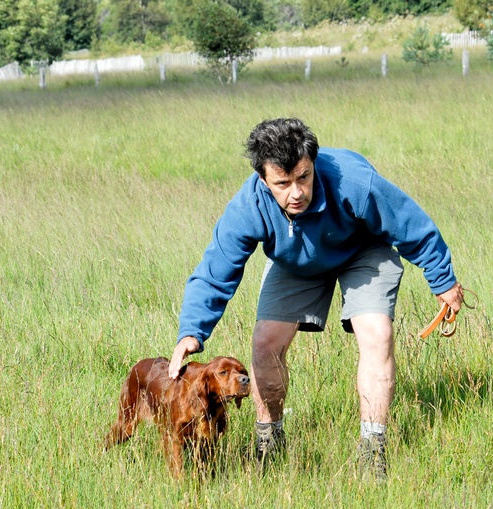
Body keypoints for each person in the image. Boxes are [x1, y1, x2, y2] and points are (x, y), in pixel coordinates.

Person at [168, 117, 463, 480]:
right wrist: (191, 332)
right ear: (263, 180)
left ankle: (372, 452)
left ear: (313, 164)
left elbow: (408, 222)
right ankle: (269, 440)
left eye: (303, 177)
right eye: (283, 183)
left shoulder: (353, 181)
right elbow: (216, 268)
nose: (296, 192)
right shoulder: (249, 205)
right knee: (265, 342)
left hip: (363, 249)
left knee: (377, 333)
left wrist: (442, 279)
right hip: (297, 259)